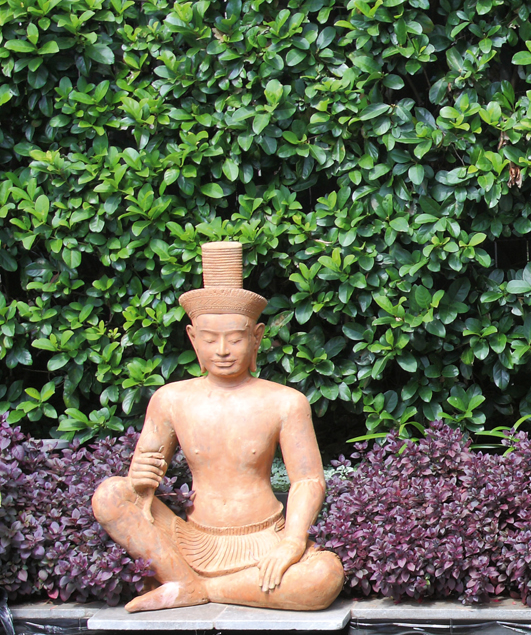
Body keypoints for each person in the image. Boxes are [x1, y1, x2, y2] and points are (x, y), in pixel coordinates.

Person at [92, 242, 344, 612]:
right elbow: (140, 483)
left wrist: (292, 541)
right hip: (191, 540)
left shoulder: (285, 402)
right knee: (110, 495)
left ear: (257, 337)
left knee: (323, 576)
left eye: (236, 338)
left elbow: (307, 480)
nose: (222, 350)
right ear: (193, 339)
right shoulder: (171, 399)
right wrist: (138, 481)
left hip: (265, 541)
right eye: (210, 339)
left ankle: (194, 587)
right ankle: (185, 579)